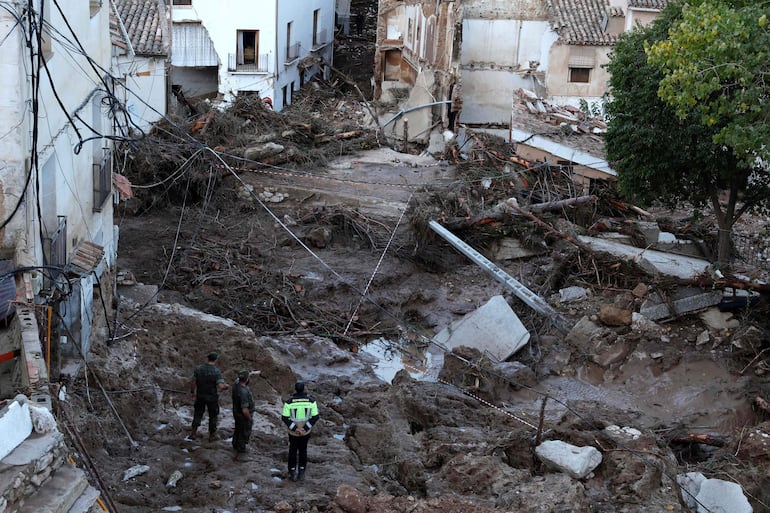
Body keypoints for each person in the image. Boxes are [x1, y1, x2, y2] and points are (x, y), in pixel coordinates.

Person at [281, 381, 319, 482]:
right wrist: (305, 428)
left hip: (293, 432)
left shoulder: (289, 402)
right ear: (303, 389)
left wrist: (295, 428)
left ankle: (292, 472)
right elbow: (315, 417)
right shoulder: (311, 401)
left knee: (292, 450)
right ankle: (302, 471)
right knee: (303, 450)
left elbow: (284, 417)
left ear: (295, 389)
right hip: (305, 431)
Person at [189, 351, 229, 442]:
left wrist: (192, 392)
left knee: (198, 414)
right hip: (212, 397)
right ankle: (212, 435)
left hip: (200, 396)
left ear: (208, 358)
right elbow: (221, 386)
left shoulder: (198, 369)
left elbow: (193, 382)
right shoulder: (216, 371)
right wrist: (226, 386)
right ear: (215, 360)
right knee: (213, 416)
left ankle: (193, 433)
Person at [231, 369, 260, 460]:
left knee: (238, 429)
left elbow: (240, 378)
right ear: (247, 379)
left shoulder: (236, 384)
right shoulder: (243, 392)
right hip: (243, 415)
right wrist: (249, 419)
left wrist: (252, 373)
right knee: (244, 432)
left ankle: (235, 444)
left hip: (236, 412)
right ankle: (241, 451)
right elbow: (244, 410)